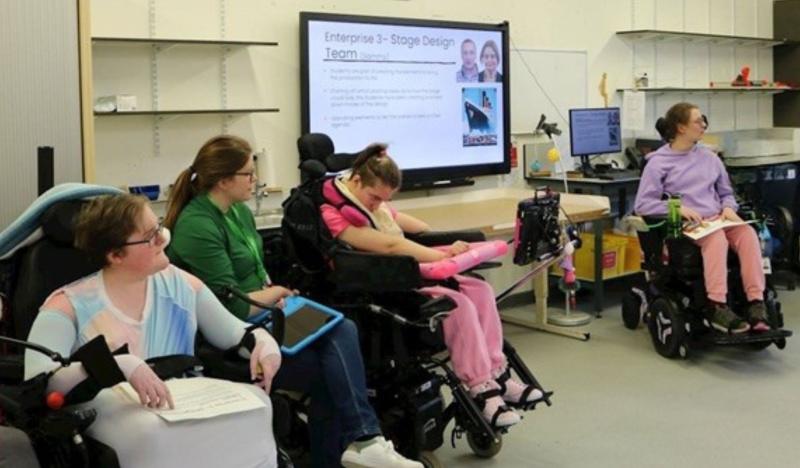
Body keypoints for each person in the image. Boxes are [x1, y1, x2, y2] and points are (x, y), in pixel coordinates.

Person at [165, 135, 421, 468]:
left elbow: (254, 277)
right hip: (234, 331)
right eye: (248, 174)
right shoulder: (197, 226)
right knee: (333, 360)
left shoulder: (237, 212)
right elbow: (232, 307)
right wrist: (275, 294)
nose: (255, 180)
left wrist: (276, 293)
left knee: (341, 331)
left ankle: (360, 444)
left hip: (266, 313)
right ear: (224, 180)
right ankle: (362, 442)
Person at [24, 194, 280, 468]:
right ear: (115, 255)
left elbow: (237, 333)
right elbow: (40, 385)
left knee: (259, 406)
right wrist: (120, 365)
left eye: (159, 227)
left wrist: (264, 344)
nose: (163, 239)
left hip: (184, 398)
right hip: (112, 408)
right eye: (150, 236)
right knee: (150, 431)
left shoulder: (182, 285)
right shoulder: (68, 306)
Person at [319, 144, 544, 428]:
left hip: (406, 271)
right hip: (381, 281)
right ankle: (479, 386)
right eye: (374, 198)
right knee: (457, 304)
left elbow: (408, 225)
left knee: (480, 290)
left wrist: (445, 241)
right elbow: (389, 245)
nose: (377, 205)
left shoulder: (372, 203)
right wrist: (441, 255)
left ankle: (497, 372)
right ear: (355, 180)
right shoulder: (332, 212)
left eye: (384, 200)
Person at [634, 102, 768, 334]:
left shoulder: (710, 158)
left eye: (703, 119)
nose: (704, 125)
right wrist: (676, 208)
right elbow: (643, 204)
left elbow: (726, 193)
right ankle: (716, 306)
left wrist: (729, 207)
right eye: (698, 121)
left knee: (747, 234)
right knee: (716, 239)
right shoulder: (658, 163)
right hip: (690, 224)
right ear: (681, 128)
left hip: (718, 218)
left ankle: (756, 302)